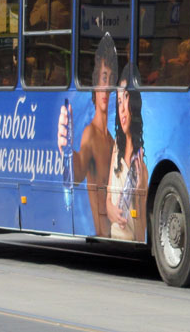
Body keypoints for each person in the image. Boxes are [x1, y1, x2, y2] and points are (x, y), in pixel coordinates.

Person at [58, 34, 117, 237]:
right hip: (102, 232)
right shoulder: (90, 134)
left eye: (110, 80)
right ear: (94, 84)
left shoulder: (111, 139)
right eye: (103, 78)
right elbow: (77, 175)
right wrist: (65, 149)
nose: (106, 88)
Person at [106, 65, 147, 241]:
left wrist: (138, 194)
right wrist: (113, 213)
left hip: (129, 239)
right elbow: (108, 199)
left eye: (126, 98)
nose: (122, 109)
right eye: (119, 101)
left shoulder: (141, 167)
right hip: (113, 235)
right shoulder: (117, 147)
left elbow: (140, 233)